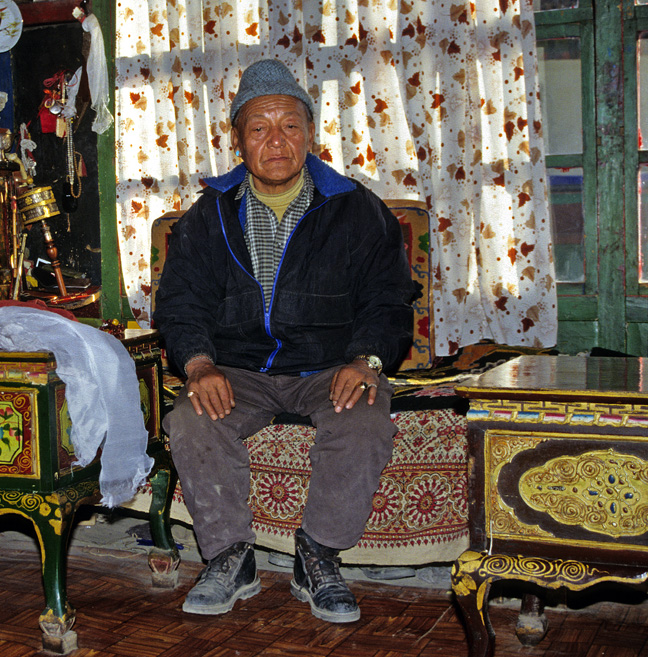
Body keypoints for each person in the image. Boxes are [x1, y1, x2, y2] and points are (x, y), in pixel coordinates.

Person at [154, 59, 415, 624]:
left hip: (329, 369)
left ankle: (317, 555)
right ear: (239, 140)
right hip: (239, 370)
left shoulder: (358, 211)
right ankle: (231, 557)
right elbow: (180, 303)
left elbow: (390, 301)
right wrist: (198, 364)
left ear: (311, 133)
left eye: (290, 126)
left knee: (364, 416)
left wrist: (367, 360)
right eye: (259, 128)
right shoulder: (208, 217)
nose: (276, 141)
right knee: (192, 418)